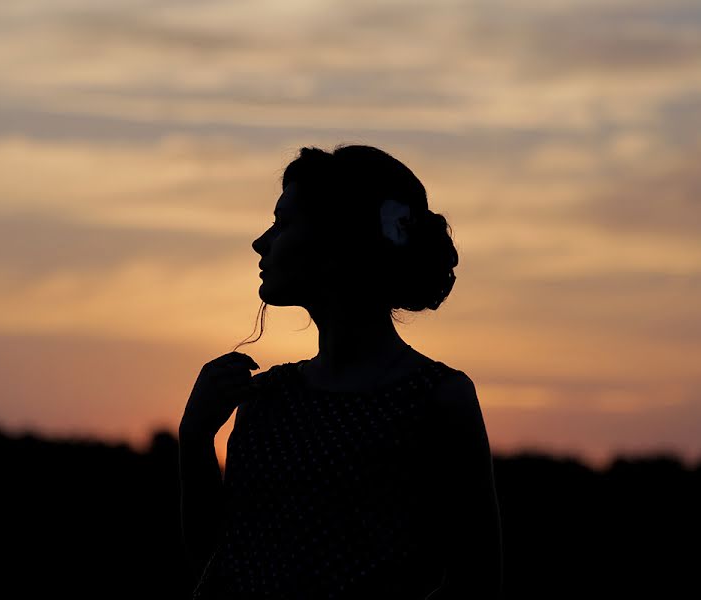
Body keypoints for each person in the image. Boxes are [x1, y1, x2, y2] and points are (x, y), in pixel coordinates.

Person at [179, 144, 503, 598]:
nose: (261, 242)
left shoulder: (437, 399)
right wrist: (194, 440)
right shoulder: (264, 399)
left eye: (283, 224)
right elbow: (216, 563)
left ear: (337, 241)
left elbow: (478, 581)